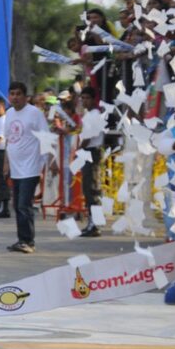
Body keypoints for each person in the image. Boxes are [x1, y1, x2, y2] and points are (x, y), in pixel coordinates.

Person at [3, 82, 54, 253]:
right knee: (17, 205)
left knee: (24, 205)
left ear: (26, 96)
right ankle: (21, 239)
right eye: (12, 94)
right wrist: (6, 163)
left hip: (30, 167)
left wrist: (50, 162)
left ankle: (29, 241)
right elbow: (9, 140)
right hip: (15, 168)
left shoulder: (35, 113)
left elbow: (46, 137)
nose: (15, 97)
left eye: (18, 94)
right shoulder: (9, 113)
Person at [78, 87, 104, 237]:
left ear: (94, 99)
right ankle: (93, 222)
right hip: (89, 151)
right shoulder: (89, 115)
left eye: (87, 98)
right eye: (83, 98)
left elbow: (88, 138)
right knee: (88, 189)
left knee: (92, 188)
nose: (84, 101)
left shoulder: (95, 115)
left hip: (92, 151)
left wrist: (79, 151)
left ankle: (95, 224)